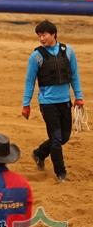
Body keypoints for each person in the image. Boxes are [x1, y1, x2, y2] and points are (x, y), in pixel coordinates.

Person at [21, 20, 84, 182]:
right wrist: (26, 104)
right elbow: (30, 81)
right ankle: (60, 174)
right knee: (56, 139)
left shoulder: (68, 51)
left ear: (53, 34)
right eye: (39, 36)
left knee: (64, 137)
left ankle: (39, 153)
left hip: (65, 101)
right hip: (47, 103)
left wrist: (79, 96)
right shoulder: (36, 56)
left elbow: (74, 76)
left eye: (44, 35)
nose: (41, 38)